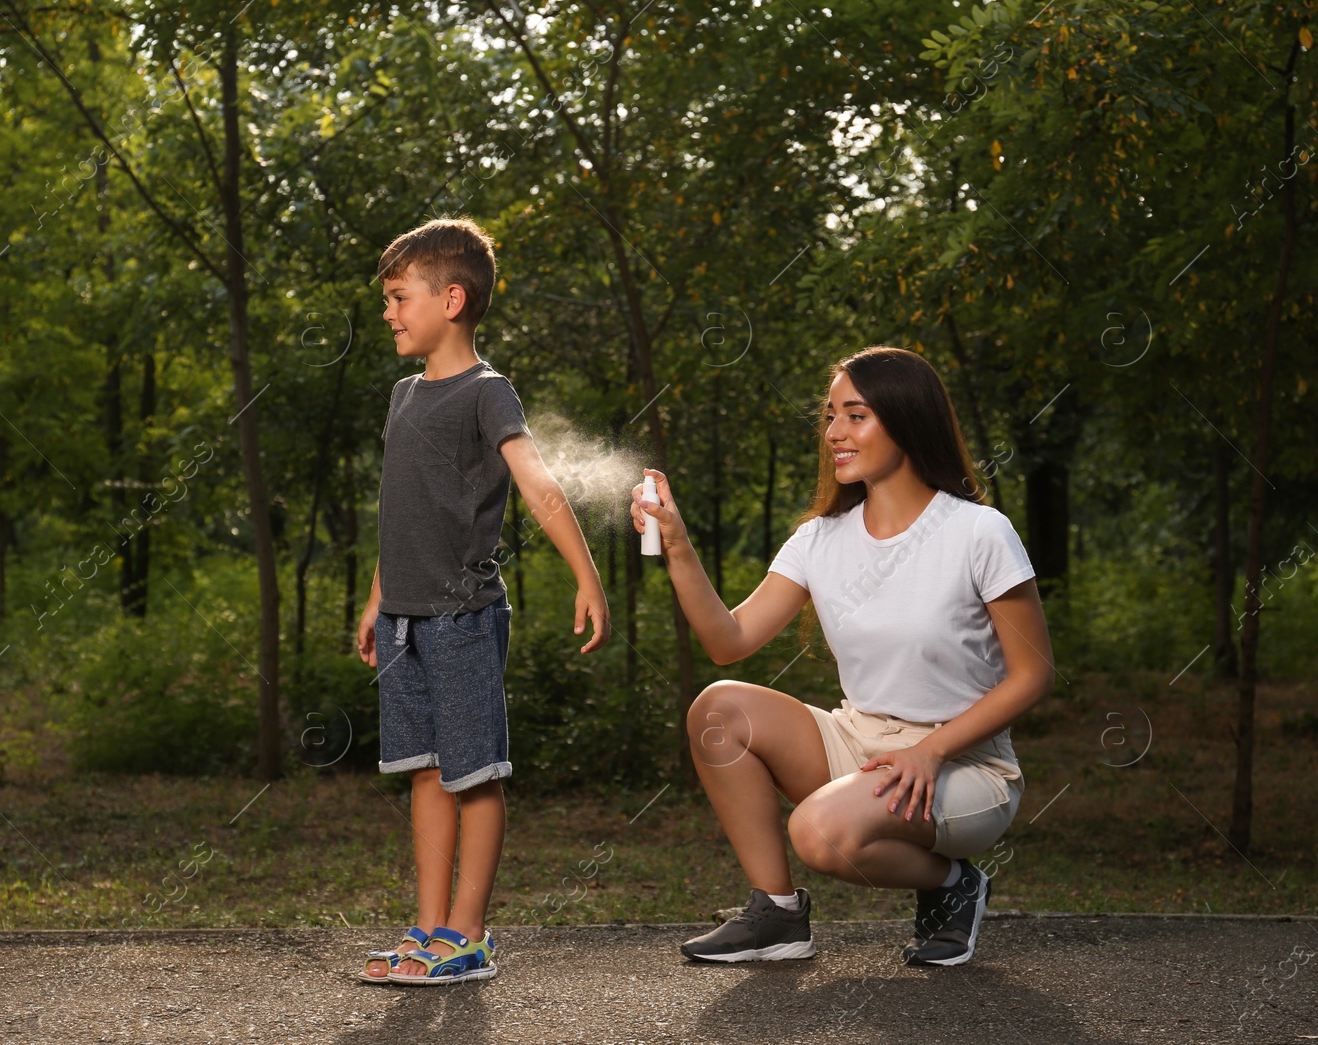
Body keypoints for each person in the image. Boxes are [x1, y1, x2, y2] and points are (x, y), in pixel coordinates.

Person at [631, 347, 1052, 966]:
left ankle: (952, 885)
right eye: (831, 417)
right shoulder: (820, 539)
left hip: (964, 764)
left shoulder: (978, 532)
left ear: (906, 420)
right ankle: (776, 915)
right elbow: (728, 642)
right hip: (861, 740)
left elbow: (1035, 674)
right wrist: (678, 545)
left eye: (855, 416)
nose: (833, 434)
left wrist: (928, 751)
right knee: (718, 709)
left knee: (819, 832)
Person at [356, 218, 611, 985]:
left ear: (453, 298)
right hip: (403, 620)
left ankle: (469, 933)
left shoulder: (486, 390)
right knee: (425, 771)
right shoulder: (403, 395)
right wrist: (377, 598)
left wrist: (587, 575)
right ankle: (430, 928)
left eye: (401, 298)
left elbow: (538, 483)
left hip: (463, 617)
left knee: (475, 774)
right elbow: (402, 512)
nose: (390, 313)